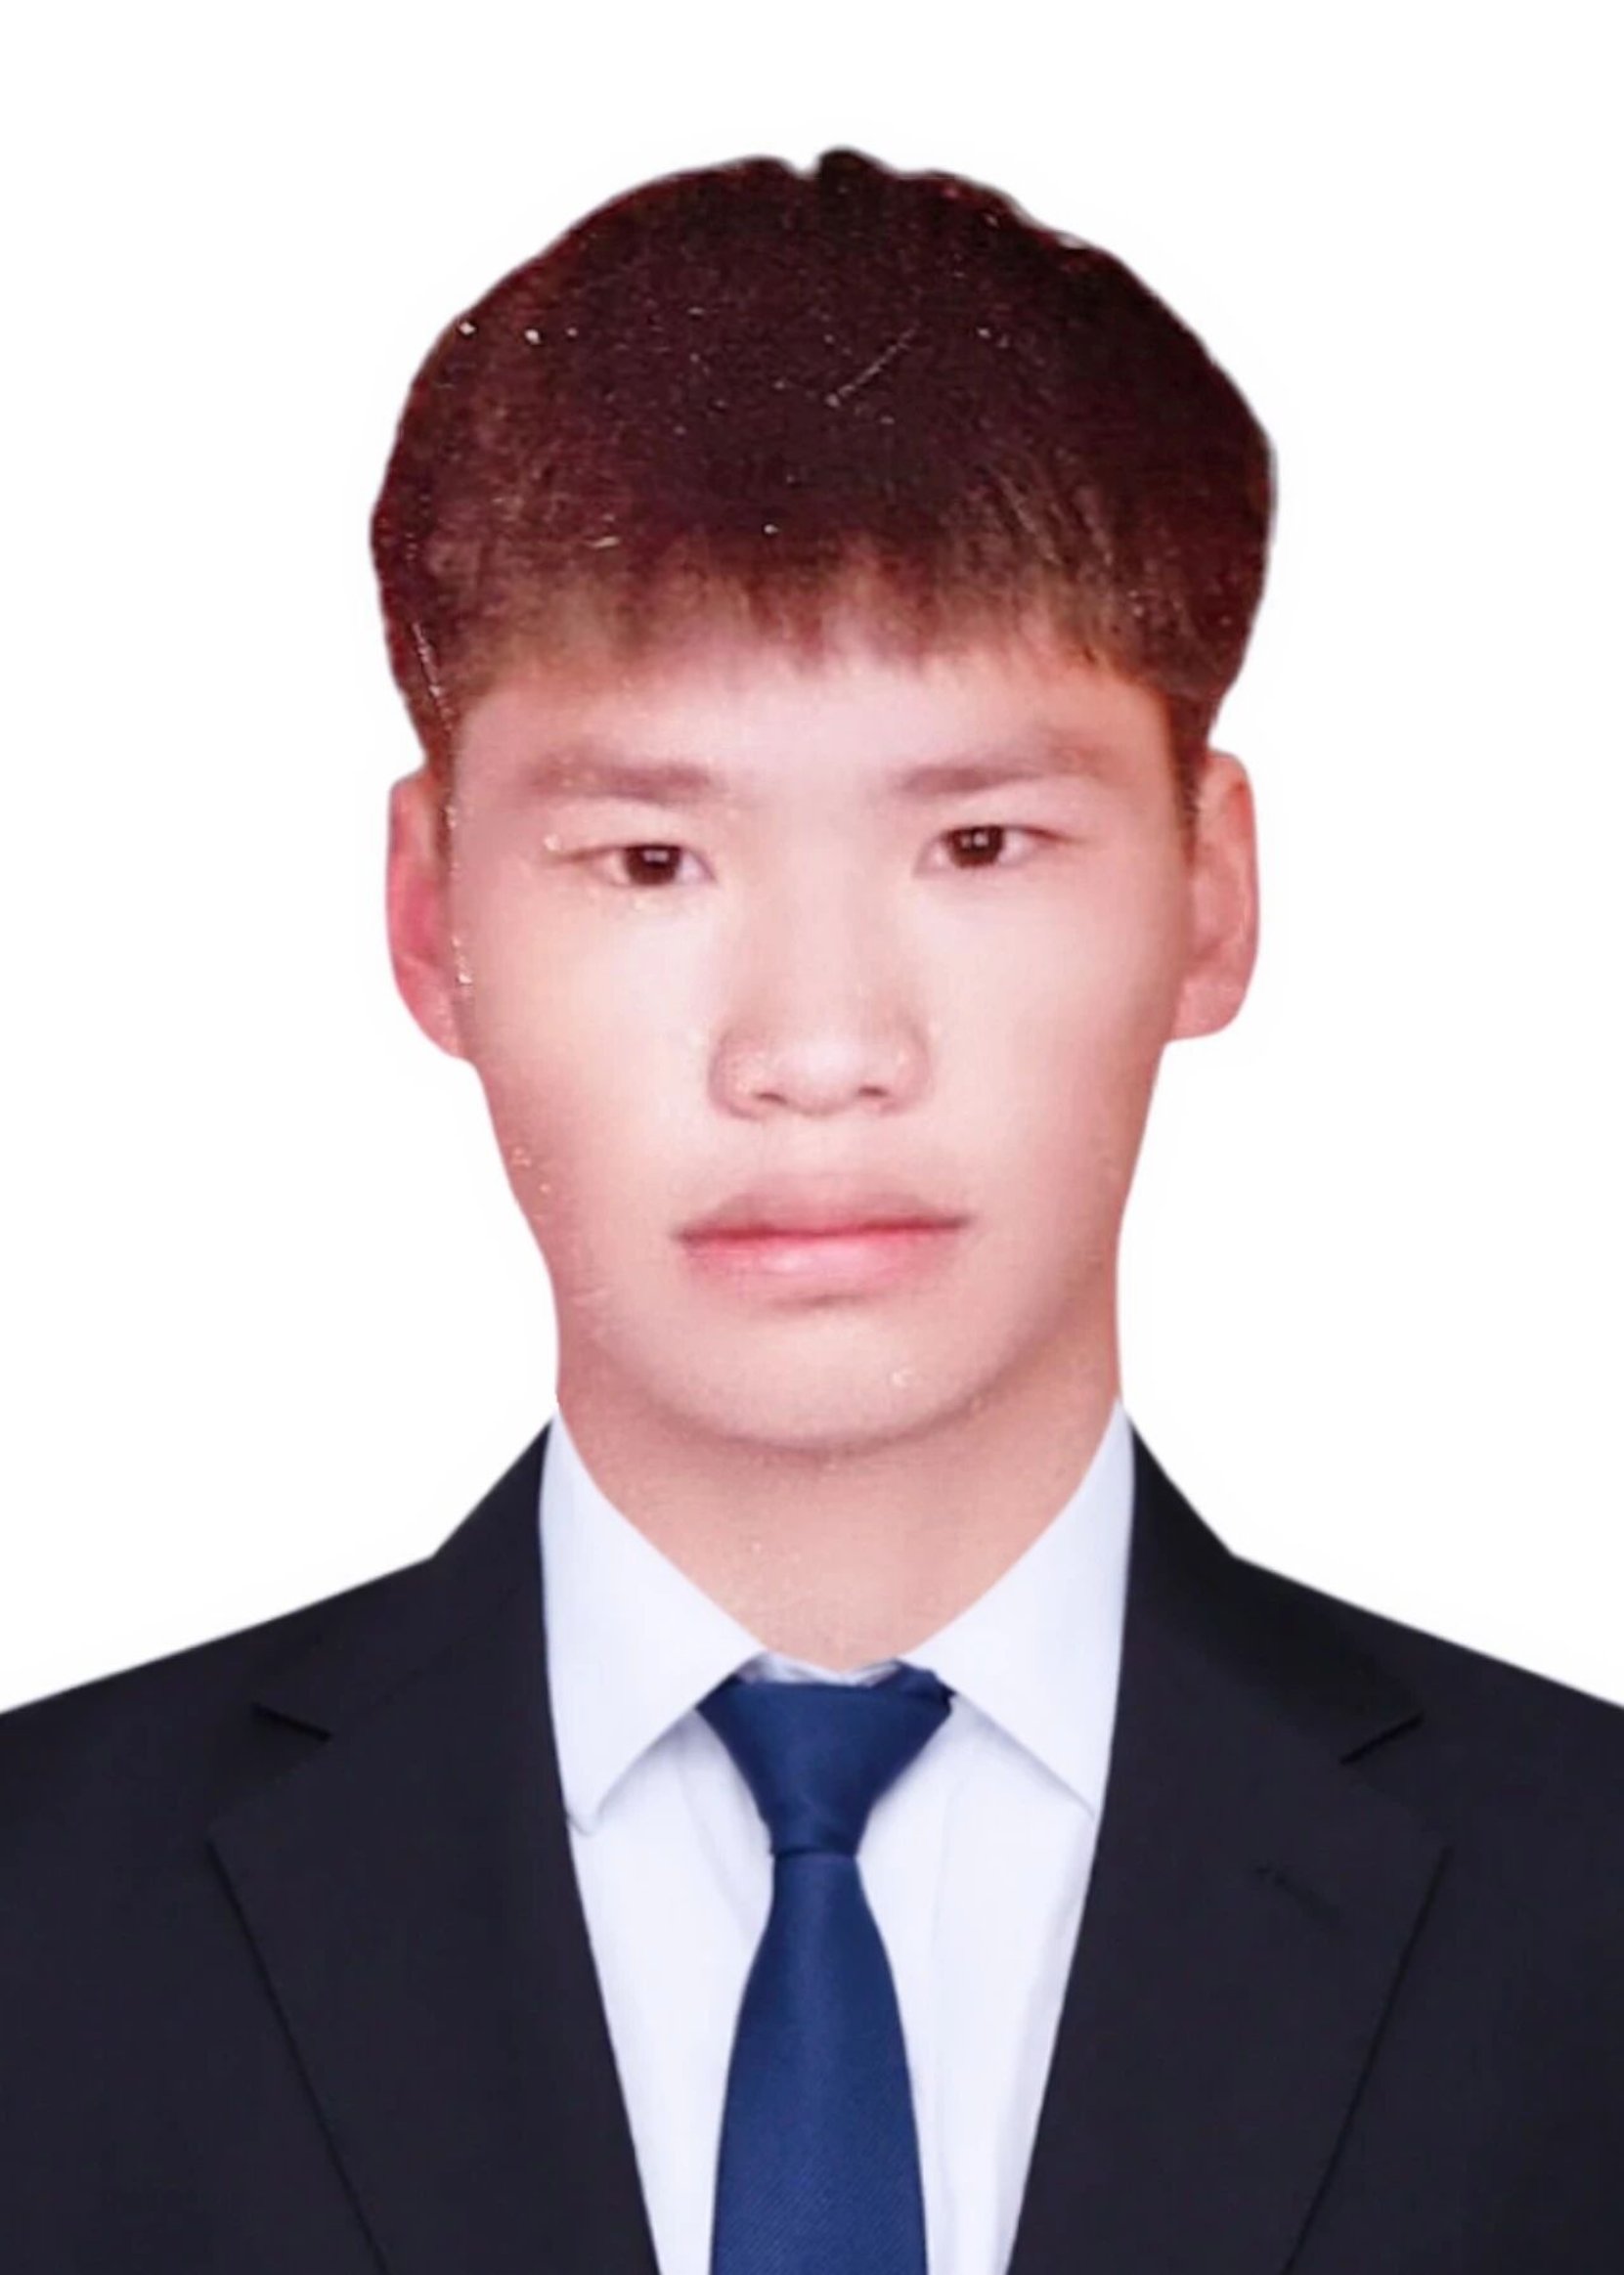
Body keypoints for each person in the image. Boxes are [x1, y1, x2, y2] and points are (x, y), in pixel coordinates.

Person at [2, 147, 1621, 2275]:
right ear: (426, 918)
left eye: (980, 843)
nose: (820, 1045)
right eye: (650, 861)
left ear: (1211, 894)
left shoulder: (1582, 1917)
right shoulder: (41, 1920)